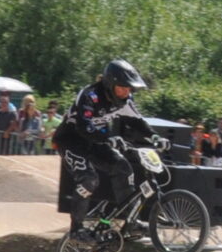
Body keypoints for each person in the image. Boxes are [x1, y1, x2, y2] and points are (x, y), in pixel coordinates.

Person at [55, 60, 151, 224]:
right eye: (122, 87)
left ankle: (129, 221)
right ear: (110, 84)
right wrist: (108, 138)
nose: (126, 92)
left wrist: (155, 137)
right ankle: (76, 230)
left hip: (95, 141)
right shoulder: (90, 95)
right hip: (71, 140)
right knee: (88, 179)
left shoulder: (125, 100)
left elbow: (137, 122)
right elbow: (84, 126)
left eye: (129, 88)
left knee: (123, 168)